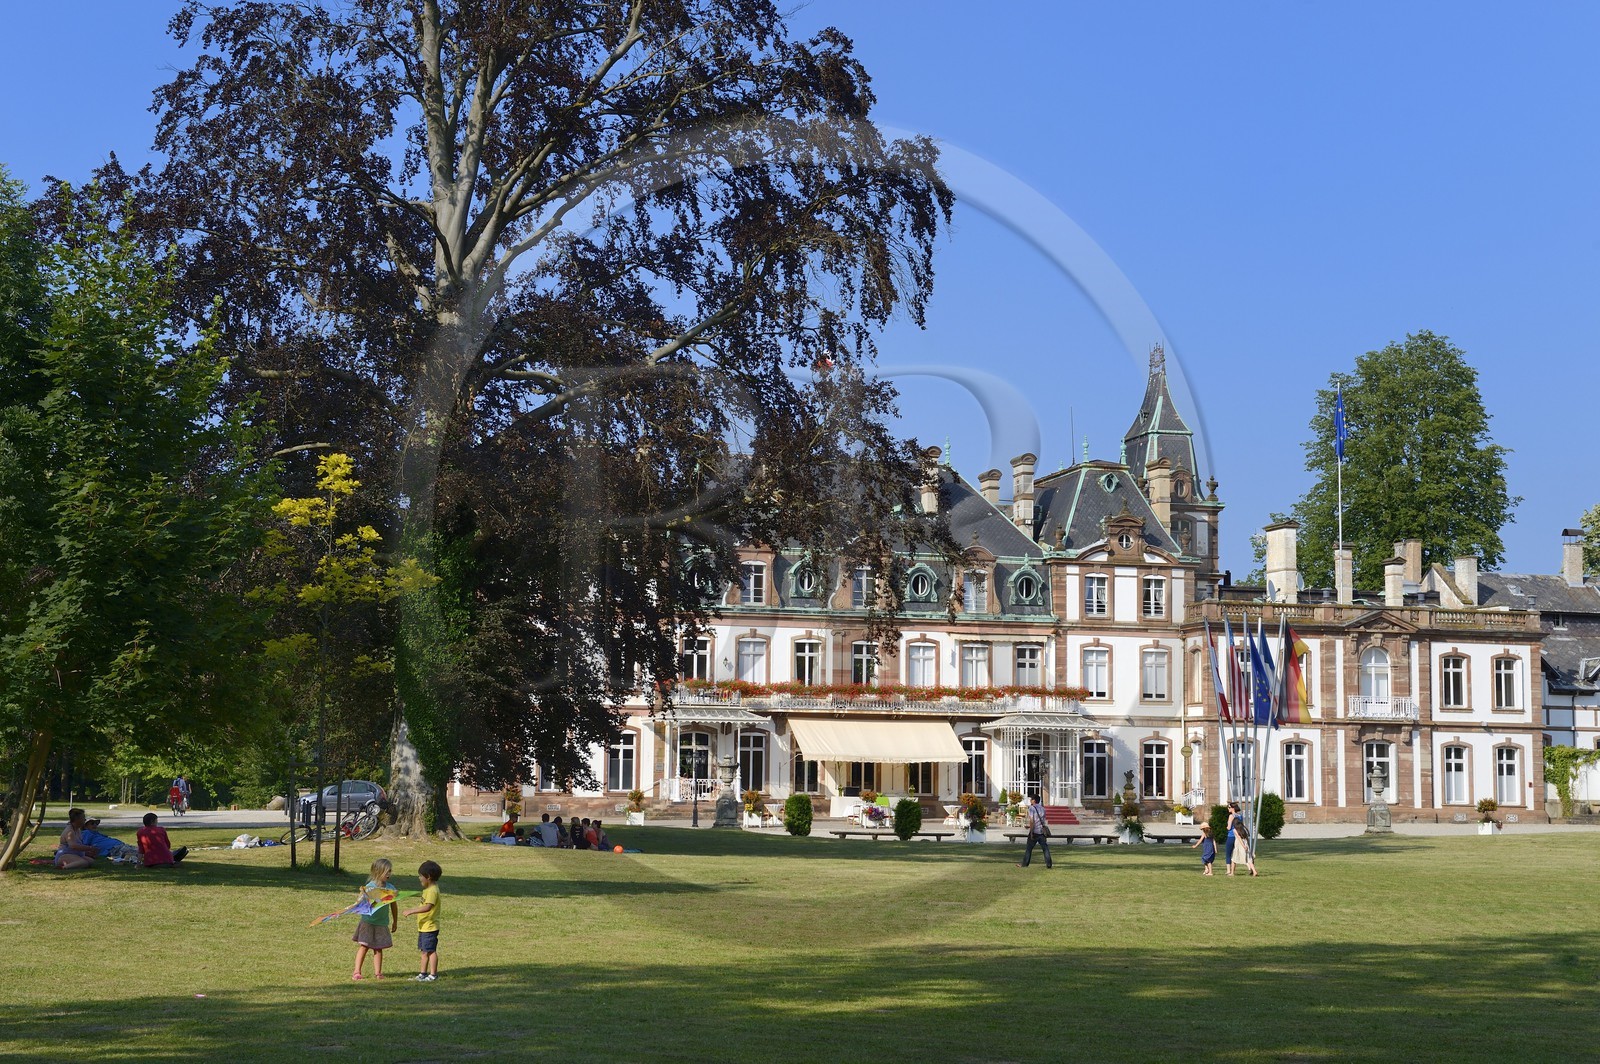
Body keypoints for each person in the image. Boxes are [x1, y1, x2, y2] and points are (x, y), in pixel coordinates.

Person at [352, 858, 398, 980]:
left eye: (390, 871)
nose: (389, 874)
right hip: (368, 922)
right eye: (386, 872)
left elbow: (394, 905)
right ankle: (357, 971)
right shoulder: (370, 887)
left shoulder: (391, 888)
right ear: (377, 872)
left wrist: (395, 921)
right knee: (364, 946)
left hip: (381, 923)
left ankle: (378, 972)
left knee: (378, 948)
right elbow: (363, 902)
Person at [403, 860, 443, 982]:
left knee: (430, 951)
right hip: (424, 926)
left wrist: (412, 911)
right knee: (424, 951)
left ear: (428, 877)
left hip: (430, 927)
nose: (419, 878)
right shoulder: (428, 889)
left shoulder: (432, 891)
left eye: (421, 875)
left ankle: (433, 975)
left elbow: (428, 907)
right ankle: (423, 974)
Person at [1016, 794, 1054, 869]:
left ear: (1034, 800)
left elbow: (1032, 821)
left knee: (1029, 848)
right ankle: (1049, 864)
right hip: (1041, 831)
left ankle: (1025, 864)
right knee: (1045, 848)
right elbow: (1041, 821)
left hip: (1035, 831)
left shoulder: (1032, 808)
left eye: (1031, 799)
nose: (1030, 801)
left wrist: (1031, 832)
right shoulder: (1043, 809)